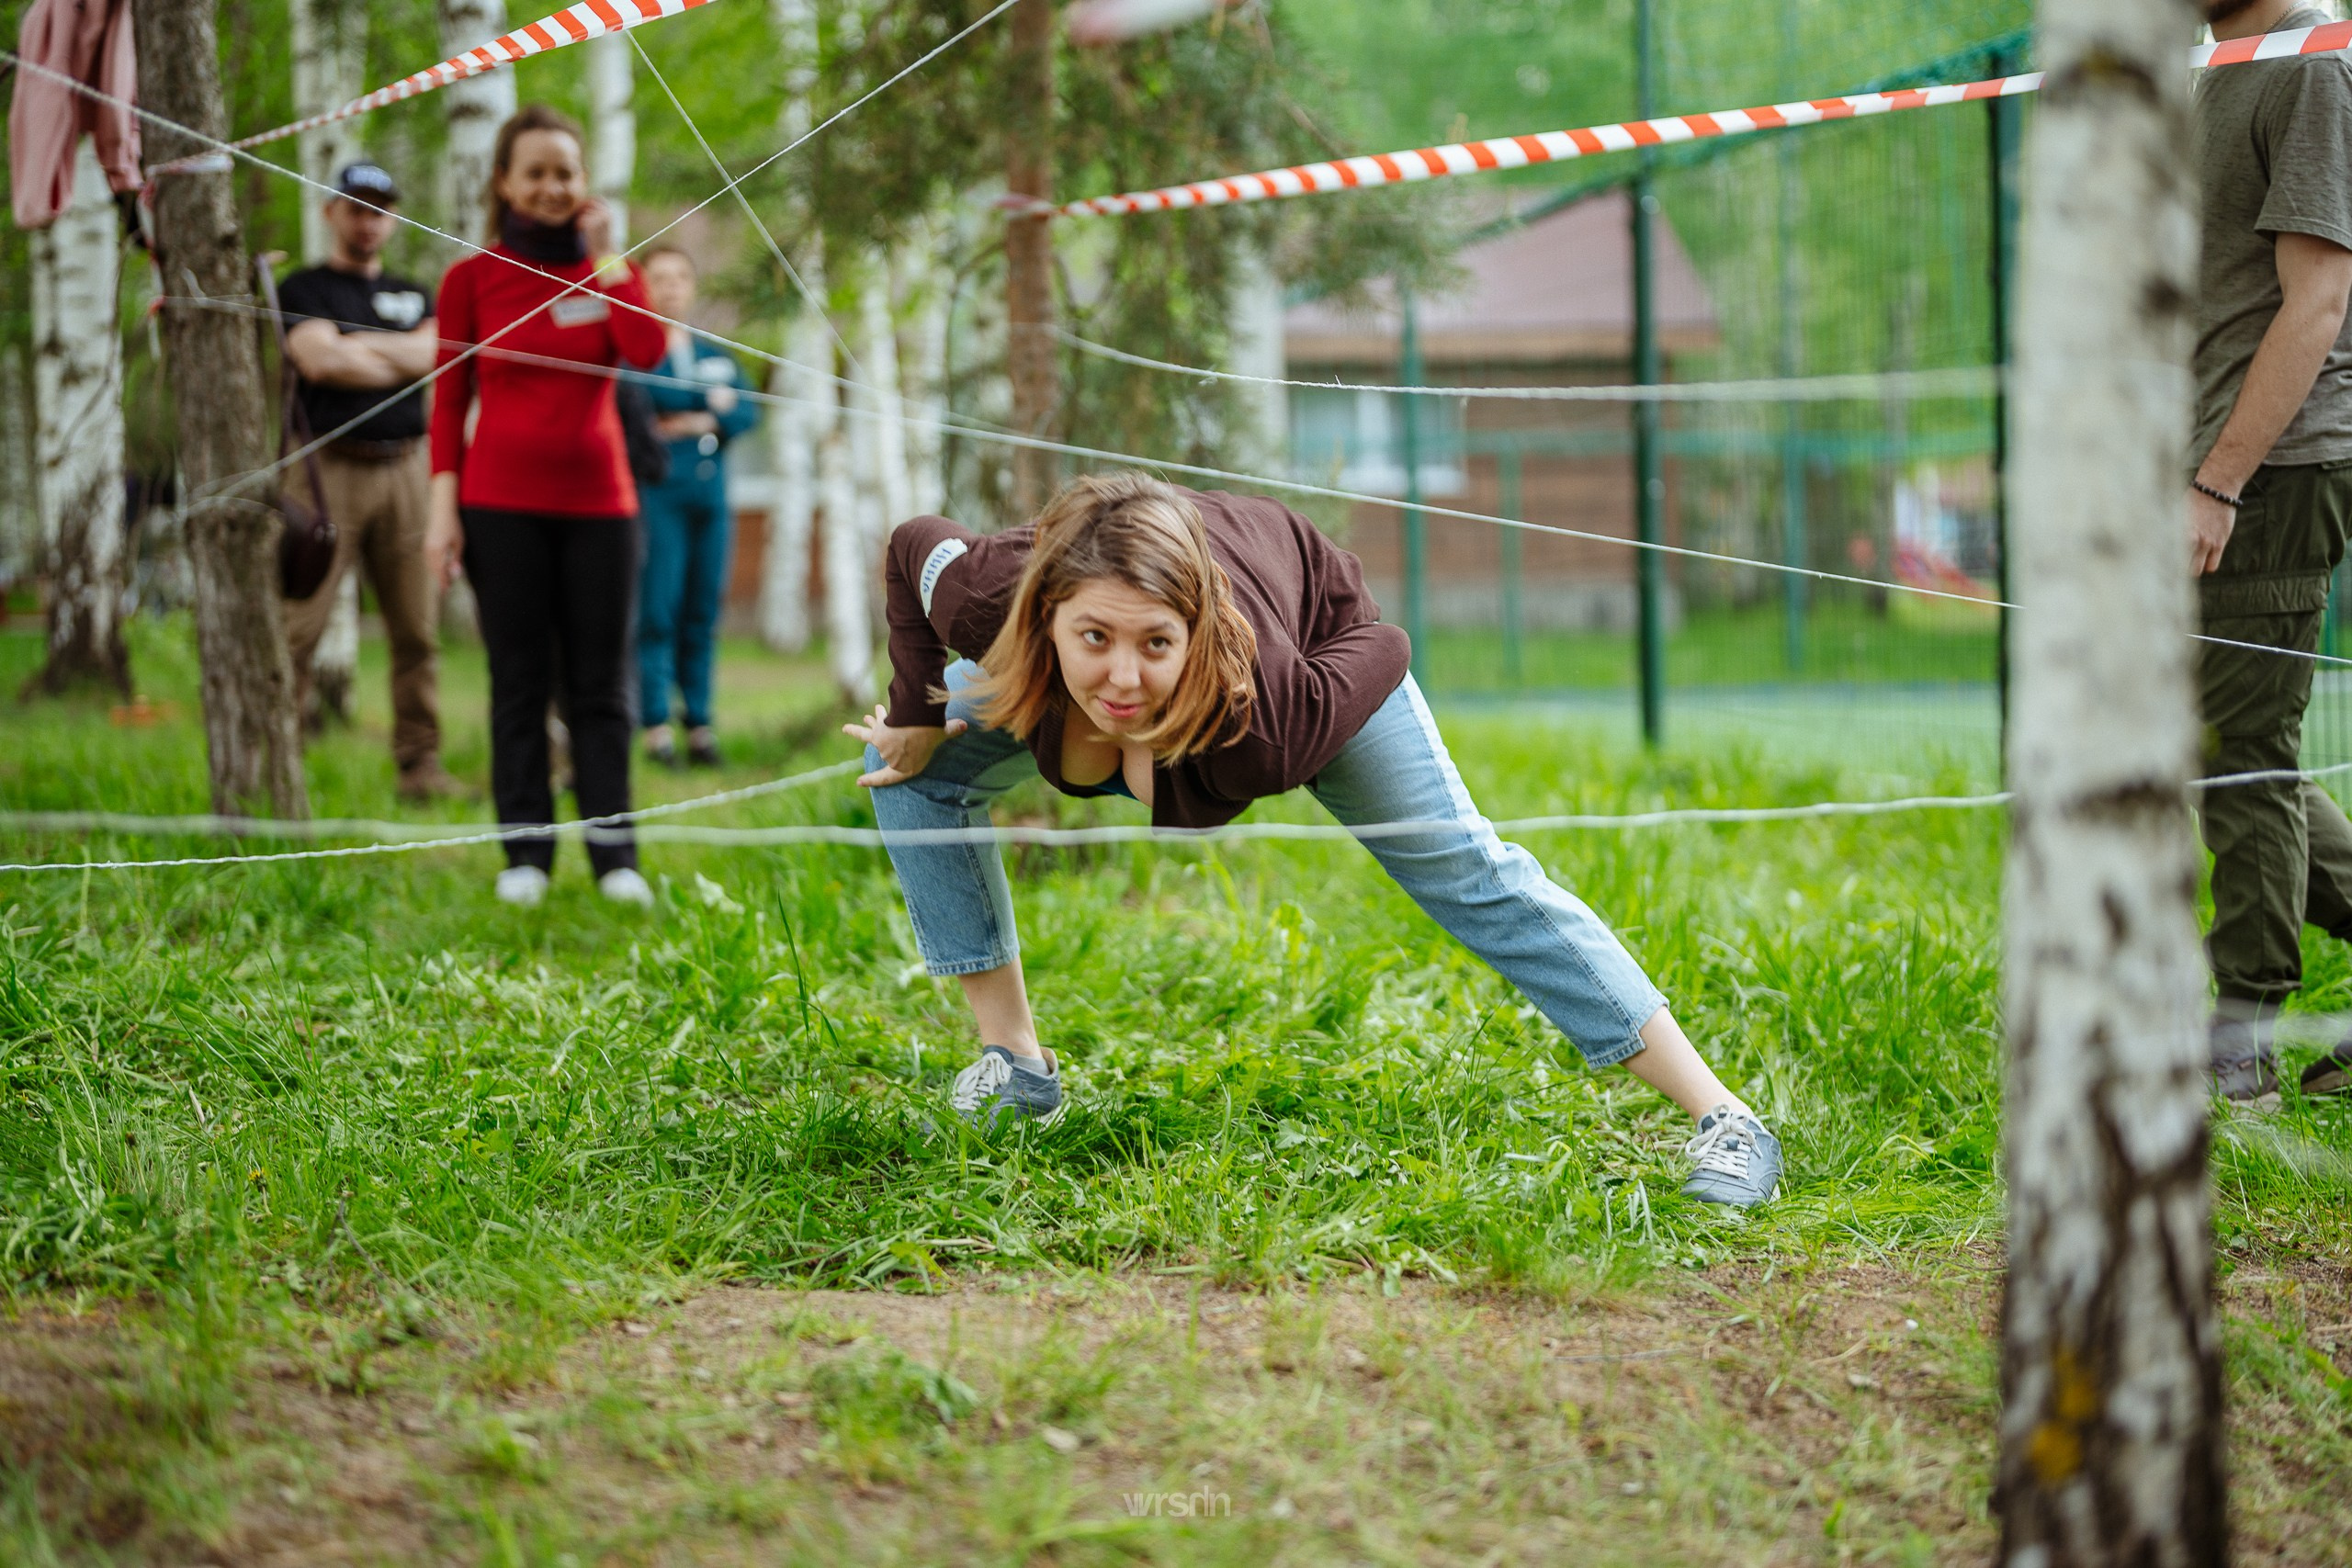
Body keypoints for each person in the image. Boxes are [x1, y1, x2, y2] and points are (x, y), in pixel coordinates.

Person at [844, 474, 1782, 1207]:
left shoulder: (1273, 723)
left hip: (1318, 637)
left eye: (1153, 646)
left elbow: (1388, 643)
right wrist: (910, 705)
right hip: (1115, 589)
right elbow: (909, 544)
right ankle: (1015, 1065)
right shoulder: (984, 600)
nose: (1121, 677)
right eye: (1094, 638)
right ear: (1045, 616)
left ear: (1193, 636)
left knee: (1468, 871)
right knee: (908, 768)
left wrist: (1301, 658)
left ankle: (1725, 1118)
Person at [424, 104, 666, 909]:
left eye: (565, 171)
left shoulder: (606, 271)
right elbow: (447, 399)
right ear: (504, 182)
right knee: (518, 683)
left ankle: (613, 856)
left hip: (603, 507)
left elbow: (648, 353)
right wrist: (442, 509)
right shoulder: (470, 278)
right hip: (500, 507)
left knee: (603, 687)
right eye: (536, 172)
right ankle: (524, 853)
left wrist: (609, 261)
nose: (552, 186)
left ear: (584, 181)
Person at [2189, 0, 2352, 1101]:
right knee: (2220, 737)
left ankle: (2237, 1034)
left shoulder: (2311, 69)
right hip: (2211, 468)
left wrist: (2218, 482)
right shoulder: (2221, 65)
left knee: (2242, 745)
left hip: (2276, 473)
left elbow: (2320, 298)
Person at [277, 162, 462, 801]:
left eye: (380, 208)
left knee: (417, 629)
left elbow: (439, 355)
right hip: (325, 472)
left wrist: (362, 349)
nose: (368, 220)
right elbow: (319, 359)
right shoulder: (302, 285)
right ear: (331, 211)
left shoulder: (419, 293)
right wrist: (400, 353)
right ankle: (280, 764)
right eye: (356, 207)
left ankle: (421, 766)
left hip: (409, 467)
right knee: (299, 624)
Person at [625, 247, 758, 769]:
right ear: (644, 287)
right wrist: (705, 403)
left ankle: (699, 723)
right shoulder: (636, 351)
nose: (672, 287)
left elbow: (747, 409)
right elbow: (639, 400)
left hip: (711, 498)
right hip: (659, 496)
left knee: (702, 610)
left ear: (693, 287)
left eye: (682, 277)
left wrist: (699, 418)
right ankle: (655, 725)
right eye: (660, 278)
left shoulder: (714, 352)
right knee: (658, 609)